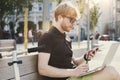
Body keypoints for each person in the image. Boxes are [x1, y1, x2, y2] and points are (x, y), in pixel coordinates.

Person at [38, 2, 120, 80]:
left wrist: (85, 57)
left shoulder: (65, 38)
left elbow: (75, 62)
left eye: (75, 21)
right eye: (71, 20)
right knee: (111, 72)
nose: (74, 24)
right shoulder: (47, 37)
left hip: (73, 77)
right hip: (66, 78)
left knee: (110, 70)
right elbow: (42, 69)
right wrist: (72, 72)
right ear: (60, 17)